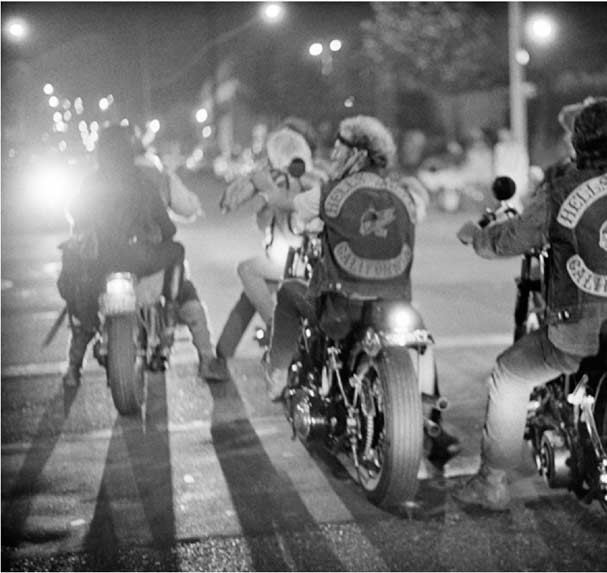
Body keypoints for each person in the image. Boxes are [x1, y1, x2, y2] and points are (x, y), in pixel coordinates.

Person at [454, 98, 607, 511]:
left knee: (509, 374)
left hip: (578, 334)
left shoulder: (559, 192)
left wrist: (476, 236)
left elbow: (507, 240)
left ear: (576, 141)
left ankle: (491, 482)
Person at [265, 115, 461, 464]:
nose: (335, 155)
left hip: (342, 306)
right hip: (394, 302)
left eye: (340, 148)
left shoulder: (330, 193)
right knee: (420, 343)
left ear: (356, 153)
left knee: (289, 293)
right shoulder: (404, 192)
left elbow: (298, 216)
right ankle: (434, 428)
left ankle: (278, 376)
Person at [59, 125, 185, 386]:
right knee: (178, 250)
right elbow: (168, 228)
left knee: (83, 314)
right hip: (140, 259)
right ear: (130, 150)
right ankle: (170, 314)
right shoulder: (143, 183)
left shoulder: (91, 182)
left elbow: (76, 216)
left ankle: (73, 367)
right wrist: (162, 233)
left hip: (98, 262)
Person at [215, 121, 327, 374]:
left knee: (247, 271)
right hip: (308, 260)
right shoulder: (320, 176)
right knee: (252, 295)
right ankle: (221, 355)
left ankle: (277, 328)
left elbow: (240, 204)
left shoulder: (275, 177)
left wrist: (261, 189)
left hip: (297, 262)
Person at [135, 142, 230, 382]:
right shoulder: (160, 176)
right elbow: (186, 208)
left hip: (114, 262)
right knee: (186, 293)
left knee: (84, 308)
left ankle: (73, 366)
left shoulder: (102, 176)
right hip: (156, 259)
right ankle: (206, 359)